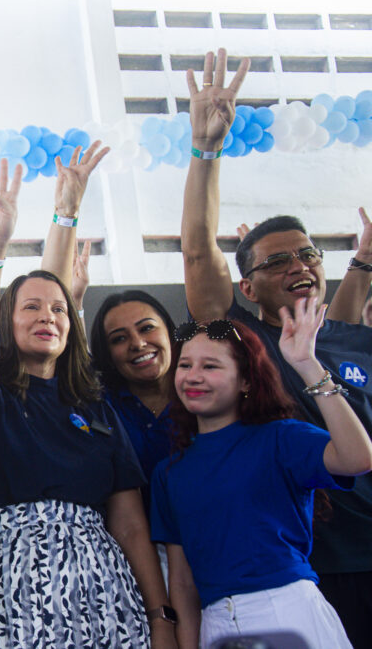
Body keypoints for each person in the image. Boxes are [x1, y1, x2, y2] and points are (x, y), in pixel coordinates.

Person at [180, 48, 372, 644]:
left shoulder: (347, 336)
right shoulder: (244, 339)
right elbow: (194, 252)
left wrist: (362, 258)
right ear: (247, 286)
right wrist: (207, 151)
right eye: (278, 259)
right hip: (322, 561)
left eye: (309, 254)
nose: (300, 265)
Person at [0, 159, 176, 647]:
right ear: (6, 321)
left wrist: (160, 616)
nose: (47, 316)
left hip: (104, 588)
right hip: (11, 590)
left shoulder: (94, 404)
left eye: (58, 310)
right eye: (30, 307)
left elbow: (131, 523)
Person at [151, 304, 372, 648]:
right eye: (185, 365)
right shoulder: (168, 472)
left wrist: (306, 365)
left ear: (246, 380)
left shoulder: (281, 437)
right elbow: (181, 582)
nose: (193, 376)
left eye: (210, 366)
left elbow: (358, 458)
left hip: (288, 609)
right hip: (215, 624)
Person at [89, 291, 178, 511]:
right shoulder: (100, 409)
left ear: (169, 330)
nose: (138, 344)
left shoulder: (203, 390)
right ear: (107, 354)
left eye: (147, 328)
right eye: (119, 338)